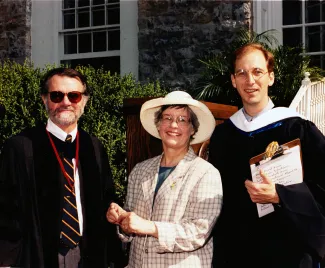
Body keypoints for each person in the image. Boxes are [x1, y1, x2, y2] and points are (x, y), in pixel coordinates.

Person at [209, 43, 325, 268]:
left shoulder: (297, 129)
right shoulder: (223, 136)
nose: (249, 80)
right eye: (241, 73)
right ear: (233, 81)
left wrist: (281, 195)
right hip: (236, 253)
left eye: (257, 72)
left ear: (270, 77)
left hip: (288, 252)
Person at [0, 68, 124, 268]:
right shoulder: (21, 146)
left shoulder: (93, 146)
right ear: (44, 99)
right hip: (38, 254)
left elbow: (106, 198)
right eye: (57, 95)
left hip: (87, 253)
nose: (66, 102)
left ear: (84, 100)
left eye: (74, 96)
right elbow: (6, 210)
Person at [106, 91, 223, 267]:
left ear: (193, 129)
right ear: (158, 125)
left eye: (182, 119)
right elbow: (132, 227)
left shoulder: (206, 173)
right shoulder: (140, 171)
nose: (173, 125)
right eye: (167, 118)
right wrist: (122, 218)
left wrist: (151, 227)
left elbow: (198, 233)